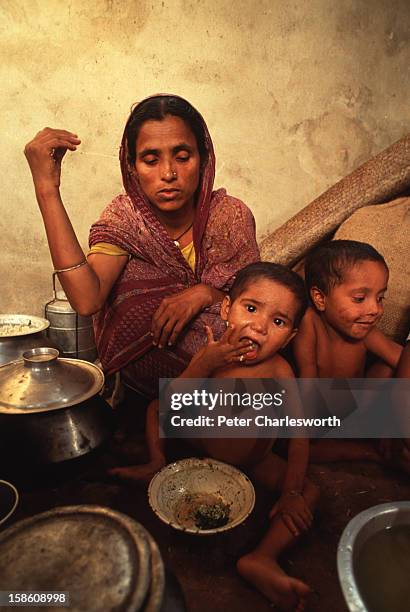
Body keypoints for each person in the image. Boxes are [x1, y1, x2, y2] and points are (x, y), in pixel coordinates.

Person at [112, 262, 319, 611]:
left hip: (252, 460)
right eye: (250, 308)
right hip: (200, 440)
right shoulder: (211, 353)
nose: (259, 326)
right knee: (154, 408)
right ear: (226, 308)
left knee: (310, 492)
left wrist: (293, 492)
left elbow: (299, 437)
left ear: (291, 336)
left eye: (278, 322)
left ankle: (262, 558)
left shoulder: (280, 372)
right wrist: (203, 365)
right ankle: (155, 461)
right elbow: (175, 401)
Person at [24, 94, 260, 398]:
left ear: (203, 159)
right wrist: (47, 189)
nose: (168, 174)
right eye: (150, 160)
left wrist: (203, 294)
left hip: (238, 374)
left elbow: (260, 306)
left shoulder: (231, 217)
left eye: (183, 156)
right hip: (150, 391)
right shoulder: (125, 219)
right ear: (132, 167)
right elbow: (86, 299)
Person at [293, 239, 405, 465]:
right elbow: (307, 383)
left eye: (380, 298)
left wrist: (395, 420)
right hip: (314, 415)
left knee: (390, 368)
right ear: (320, 298)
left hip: (356, 414)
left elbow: (402, 358)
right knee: (292, 445)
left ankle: (380, 442)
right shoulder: (309, 323)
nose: (374, 309)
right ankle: (370, 453)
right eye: (360, 299)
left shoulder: (366, 333)